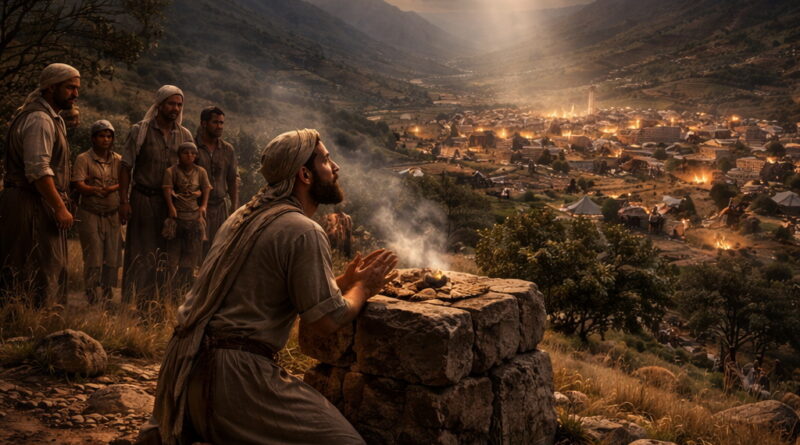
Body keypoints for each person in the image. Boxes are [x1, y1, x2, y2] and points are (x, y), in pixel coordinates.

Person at [143, 129, 397, 445]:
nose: (336, 168)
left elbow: (262, 287)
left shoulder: (244, 217)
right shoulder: (304, 230)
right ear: (305, 174)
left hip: (186, 370)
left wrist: (342, 282)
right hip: (236, 380)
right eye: (327, 160)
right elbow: (325, 321)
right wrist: (363, 288)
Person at [0, 63, 80, 307]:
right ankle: (23, 329)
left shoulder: (51, 118)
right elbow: (38, 170)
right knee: (32, 267)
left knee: (45, 267)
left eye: (77, 88)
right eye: (70, 88)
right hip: (29, 203)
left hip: (37, 202)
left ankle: (34, 325)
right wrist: (59, 207)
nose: (75, 94)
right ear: (50, 87)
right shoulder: (39, 119)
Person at [119, 85, 193, 306]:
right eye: (171, 103)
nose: (176, 108)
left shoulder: (185, 135)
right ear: (159, 105)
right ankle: (133, 303)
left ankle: (158, 304)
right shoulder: (139, 131)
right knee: (141, 252)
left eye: (179, 104)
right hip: (143, 199)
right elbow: (125, 167)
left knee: (167, 255)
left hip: (172, 205)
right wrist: (124, 201)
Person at [71, 120, 122, 304]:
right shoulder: (83, 159)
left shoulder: (118, 159)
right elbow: (78, 183)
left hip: (112, 213)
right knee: (93, 253)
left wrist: (110, 189)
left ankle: (108, 292)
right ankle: (91, 293)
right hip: (90, 212)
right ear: (93, 138)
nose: (105, 140)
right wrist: (93, 189)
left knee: (112, 253)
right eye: (101, 135)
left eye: (109, 136)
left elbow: (125, 182)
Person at [162, 142, 211, 293]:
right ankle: (169, 290)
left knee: (190, 255)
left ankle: (185, 289)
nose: (190, 156)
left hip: (194, 217)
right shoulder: (171, 171)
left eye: (193, 153)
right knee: (173, 257)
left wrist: (203, 206)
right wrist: (171, 207)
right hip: (177, 218)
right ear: (179, 155)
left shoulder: (200, 171)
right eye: (186, 153)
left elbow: (206, 188)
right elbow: (167, 189)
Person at [194, 106, 239, 257]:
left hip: (220, 207)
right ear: (204, 123)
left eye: (221, 123)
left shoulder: (228, 150)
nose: (219, 126)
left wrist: (235, 207)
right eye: (215, 122)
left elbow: (232, 180)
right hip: (196, 207)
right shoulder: (192, 147)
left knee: (217, 252)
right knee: (193, 252)